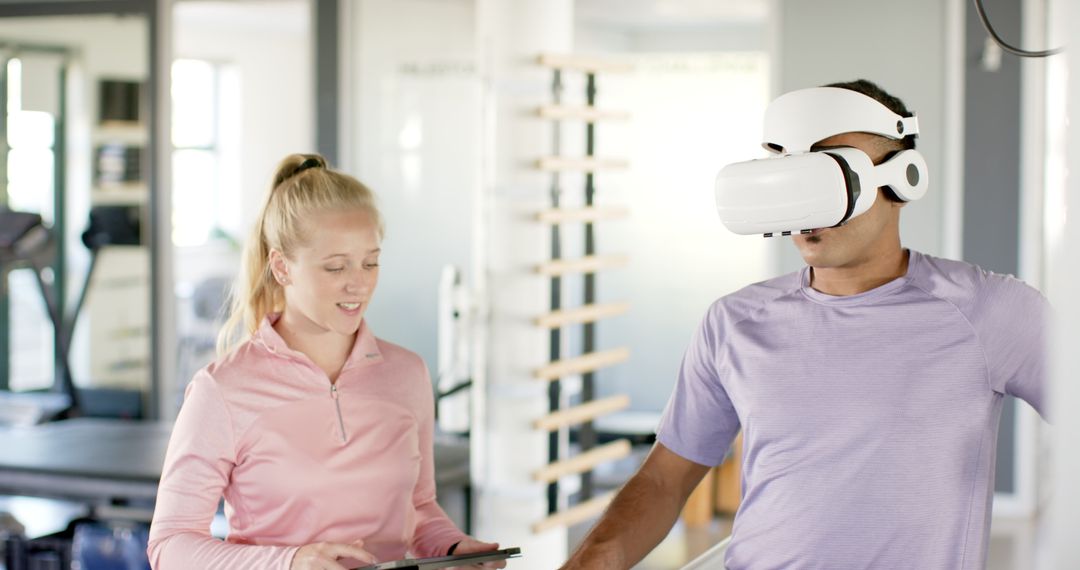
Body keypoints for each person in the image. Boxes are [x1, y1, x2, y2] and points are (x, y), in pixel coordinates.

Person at [561, 80, 1049, 570]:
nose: (806, 209)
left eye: (830, 175)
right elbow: (665, 481)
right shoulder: (733, 323)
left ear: (902, 181)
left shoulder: (987, 311)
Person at [148, 154, 504, 570]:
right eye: (336, 266)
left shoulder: (407, 373)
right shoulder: (223, 389)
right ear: (282, 267)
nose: (359, 282)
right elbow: (170, 546)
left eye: (371, 262)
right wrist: (290, 563)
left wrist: (452, 548)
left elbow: (418, 507)